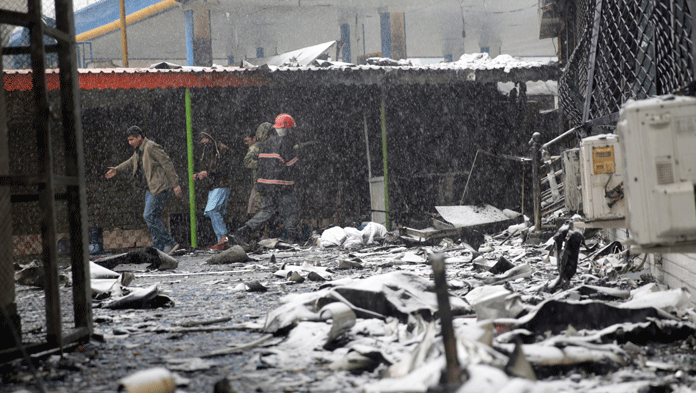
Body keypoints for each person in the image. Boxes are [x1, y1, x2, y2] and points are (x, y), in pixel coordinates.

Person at [105, 126, 182, 255]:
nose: (129, 143)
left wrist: (175, 184)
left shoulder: (151, 147)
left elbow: (167, 163)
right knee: (153, 217)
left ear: (139, 137)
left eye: (131, 139)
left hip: (159, 187)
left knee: (149, 216)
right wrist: (117, 169)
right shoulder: (138, 151)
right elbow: (131, 162)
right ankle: (159, 248)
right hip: (149, 189)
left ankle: (170, 243)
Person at [233, 114, 300, 246]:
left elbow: (263, 166)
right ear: (288, 129)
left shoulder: (267, 143)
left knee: (266, 211)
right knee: (292, 210)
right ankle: (293, 238)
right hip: (283, 186)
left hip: (268, 187)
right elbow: (293, 166)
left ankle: (244, 231)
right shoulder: (286, 144)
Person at [193, 129, 233, 250]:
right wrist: (201, 175)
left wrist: (208, 173)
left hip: (221, 185)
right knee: (217, 213)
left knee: (212, 211)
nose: (203, 142)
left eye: (205, 139)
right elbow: (211, 170)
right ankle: (222, 241)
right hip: (215, 186)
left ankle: (223, 237)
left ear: (210, 138)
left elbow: (224, 170)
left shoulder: (223, 150)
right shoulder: (210, 152)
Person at [244, 123, 273, 219]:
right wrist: (263, 164)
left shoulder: (273, 145)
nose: (272, 136)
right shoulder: (257, 147)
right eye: (270, 134)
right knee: (258, 212)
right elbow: (247, 162)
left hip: (272, 185)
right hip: (261, 186)